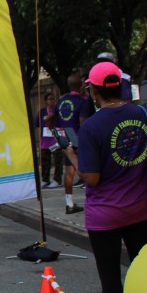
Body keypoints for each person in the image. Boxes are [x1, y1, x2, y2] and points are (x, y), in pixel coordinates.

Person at [62, 61, 147, 293]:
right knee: (142, 275)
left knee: (111, 278)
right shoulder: (141, 114)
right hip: (142, 208)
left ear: (93, 90)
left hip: (105, 215)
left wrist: (71, 155)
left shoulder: (92, 127)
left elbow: (91, 178)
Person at [50, 74, 93, 214]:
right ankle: (92, 201)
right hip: (78, 137)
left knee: (69, 171)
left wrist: (55, 134)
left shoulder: (61, 101)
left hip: (64, 135)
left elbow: (49, 118)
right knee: (86, 169)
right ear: (80, 85)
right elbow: (83, 123)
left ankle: (69, 204)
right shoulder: (82, 101)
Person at [36, 93, 63, 188]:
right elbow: (38, 125)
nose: (52, 101)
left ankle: (57, 179)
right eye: (50, 99)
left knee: (57, 161)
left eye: (53, 99)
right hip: (45, 141)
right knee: (45, 161)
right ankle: (45, 179)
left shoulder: (58, 111)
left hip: (55, 140)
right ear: (46, 101)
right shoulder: (42, 112)